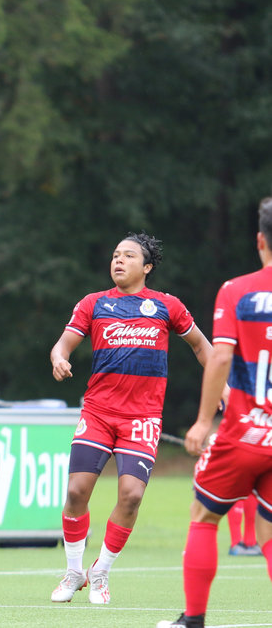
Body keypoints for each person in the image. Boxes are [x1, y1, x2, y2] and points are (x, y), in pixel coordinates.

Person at [49, 233, 213, 605]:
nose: (118, 261)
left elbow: (203, 348)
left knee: (132, 495)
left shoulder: (167, 306)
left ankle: (101, 571)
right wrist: (59, 357)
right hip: (98, 411)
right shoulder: (94, 304)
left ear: (147, 266)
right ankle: (75, 571)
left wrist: (224, 389)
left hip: (142, 417)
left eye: (128, 256)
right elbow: (63, 342)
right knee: (76, 491)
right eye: (115, 255)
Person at [157, 199, 272, 628]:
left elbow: (220, 356)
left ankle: (194, 620)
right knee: (269, 532)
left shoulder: (237, 289)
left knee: (204, 515)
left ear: (259, 240)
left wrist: (205, 421)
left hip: (245, 434)